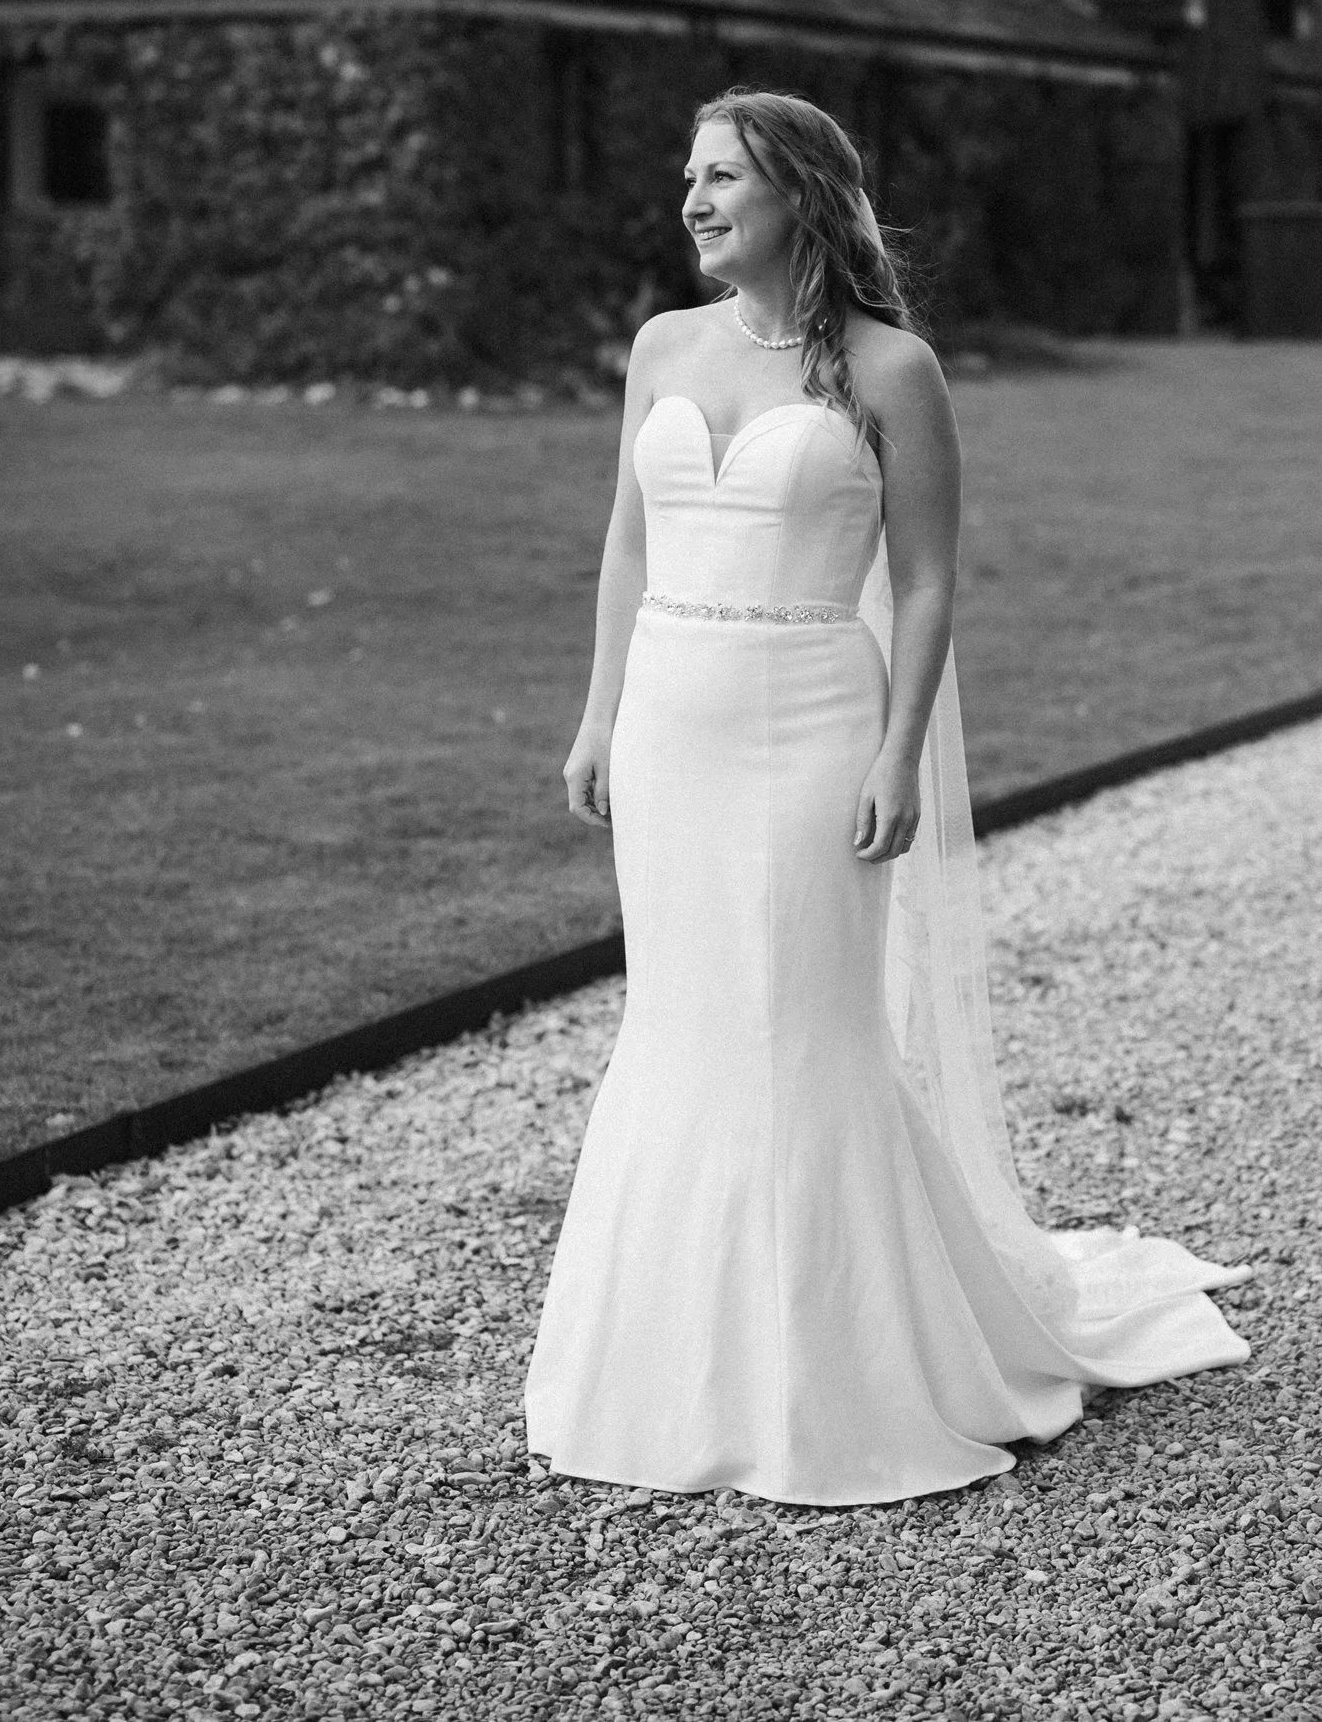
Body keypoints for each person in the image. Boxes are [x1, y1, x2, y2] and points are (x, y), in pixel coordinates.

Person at [524, 88, 1249, 1505]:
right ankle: (662, 1371)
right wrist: (600, 711)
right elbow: (626, 547)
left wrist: (894, 751)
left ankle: (845, 1378)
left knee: (802, 1027)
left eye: (721, 175)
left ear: (801, 192)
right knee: (679, 1023)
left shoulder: (889, 369)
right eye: (687, 175)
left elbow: (922, 581)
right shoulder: (660, 348)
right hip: (671, 724)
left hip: (811, 724)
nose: (691, 199)